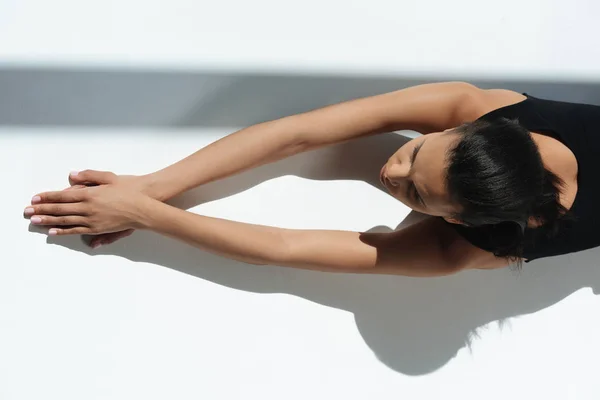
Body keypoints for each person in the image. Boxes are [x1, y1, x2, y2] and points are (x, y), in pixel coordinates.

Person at [22, 82, 600, 276]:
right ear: (463, 128)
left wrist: (147, 216)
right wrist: (151, 185)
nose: (390, 169)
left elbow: (285, 247)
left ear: (455, 220)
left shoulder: (465, 248)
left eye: (414, 194)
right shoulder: (479, 106)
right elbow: (301, 132)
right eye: (414, 151)